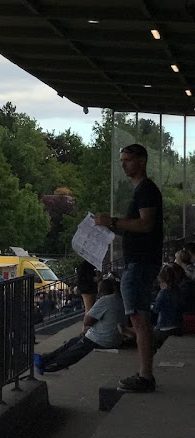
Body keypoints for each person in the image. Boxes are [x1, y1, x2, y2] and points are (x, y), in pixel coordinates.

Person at [94, 143, 163, 393]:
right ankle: (145, 372)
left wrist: (113, 221)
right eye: (122, 160)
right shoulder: (143, 190)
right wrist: (113, 226)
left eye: (128, 160)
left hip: (141, 262)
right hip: (141, 260)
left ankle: (145, 376)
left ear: (142, 160)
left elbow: (145, 225)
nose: (123, 164)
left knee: (139, 317)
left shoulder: (145, 190)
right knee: (139, 316)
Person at [34, 278, 125, 374]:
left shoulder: (105, 300)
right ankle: (45, 358)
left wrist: (88, 325)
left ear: (101, 289)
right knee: (72, 342)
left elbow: (87, 320)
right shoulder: (118, 299)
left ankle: (47, 366)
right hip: (112, 337)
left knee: (74, 351)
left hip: (102, 338)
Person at [151, 265, 183, 349]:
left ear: (162, 280)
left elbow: (156, 309)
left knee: (149, 339)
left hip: (164, 328)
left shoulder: (162, 293)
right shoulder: (178, 290)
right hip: (178, 326)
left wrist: (151, 305)